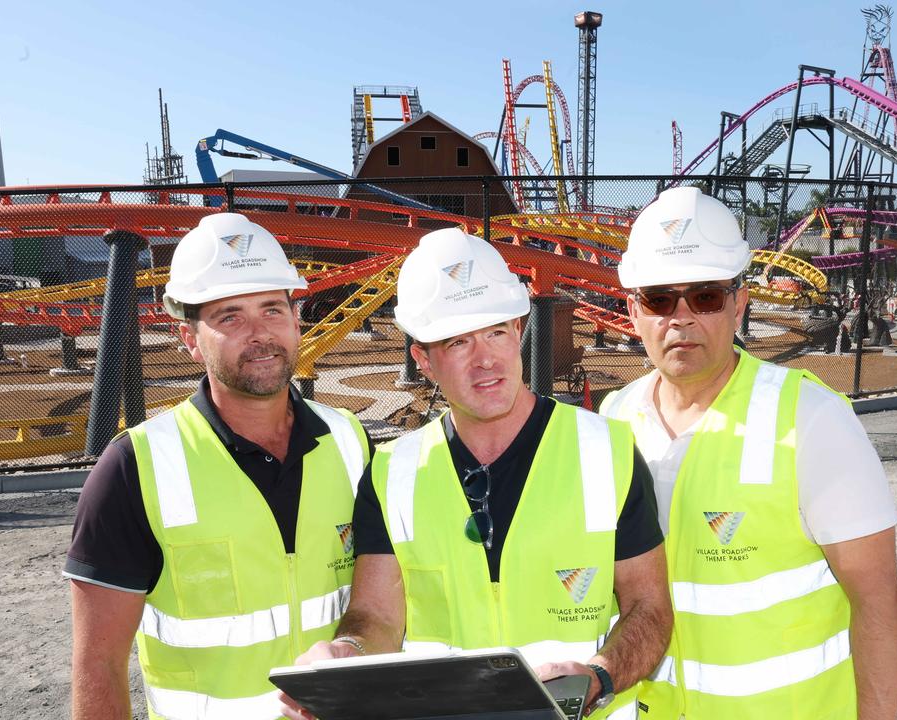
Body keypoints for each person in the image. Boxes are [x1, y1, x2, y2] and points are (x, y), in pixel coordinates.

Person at [280, 228, 672, 719]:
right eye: (458, 341)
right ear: (423, 359)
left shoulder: (606, 450)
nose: (486, 359)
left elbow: (649, 608)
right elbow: (376, 616)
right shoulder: (393, 472)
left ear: (519, 329)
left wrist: (598, 675)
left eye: (496, 332)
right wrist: (347, 655)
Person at [600, 188, 897, 720]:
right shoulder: (613, 419)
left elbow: (880, 601)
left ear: (739, 305)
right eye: (658, 299)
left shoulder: (811, 419)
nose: (681, 318)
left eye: (705, 296)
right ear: (633, 310)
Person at [64, 213, 371, 720]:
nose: (259, 333)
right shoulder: (135, 467)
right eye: (229, 316)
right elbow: (97, 663)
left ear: (297, 320)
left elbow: (375, 602)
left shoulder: (349, 440)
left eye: (272, 309)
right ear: (189, 337)